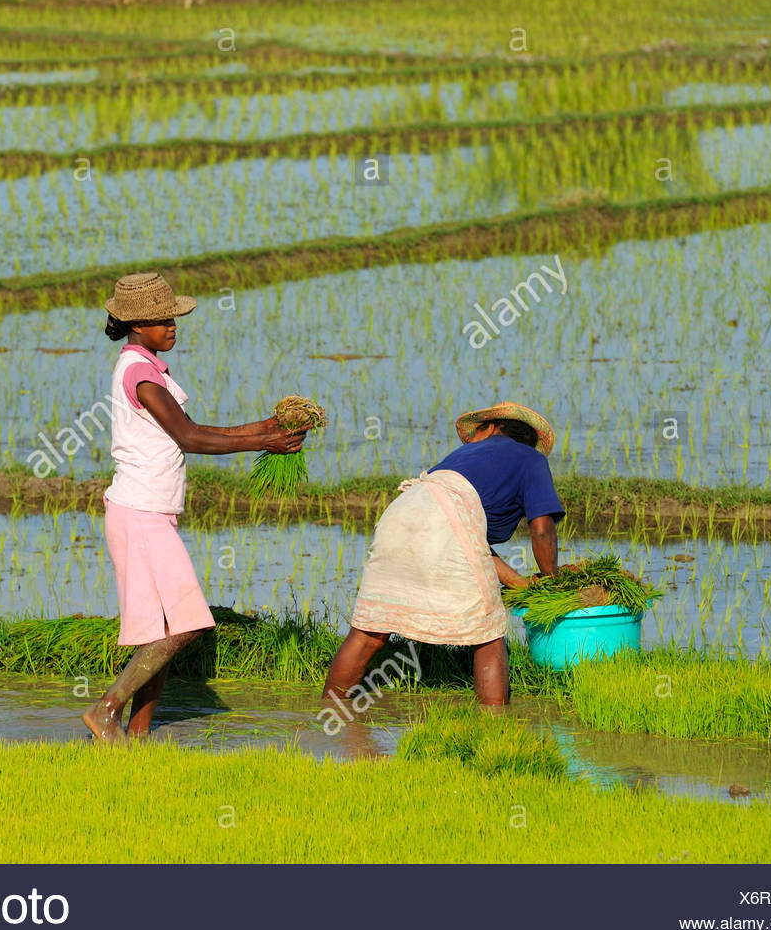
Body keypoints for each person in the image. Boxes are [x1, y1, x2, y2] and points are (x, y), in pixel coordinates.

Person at [82, 272, 309, 742]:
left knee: (161, 632)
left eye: (173, 317)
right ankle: (105, 710)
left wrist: (265, 428)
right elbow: (190, 437)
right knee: (186, 624)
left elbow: (194, 428)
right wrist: (261, 439)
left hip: (148, 512)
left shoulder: (148, 368)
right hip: (140, 514)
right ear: (137, 324)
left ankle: (138, 735)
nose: (173, 325)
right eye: (163, 318)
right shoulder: (140, 374)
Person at [323, 401, 563, 708]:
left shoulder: (459, 457)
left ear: (492, 428)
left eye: (475, 431)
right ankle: (495, 728)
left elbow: (469, 545)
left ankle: (327, 717)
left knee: (369, 632)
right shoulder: (532, 460)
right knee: (488, 633)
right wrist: (552, 581)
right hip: (446, 523)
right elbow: (542, 528)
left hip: (400, 512)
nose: (472, 438)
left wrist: (521, 584)